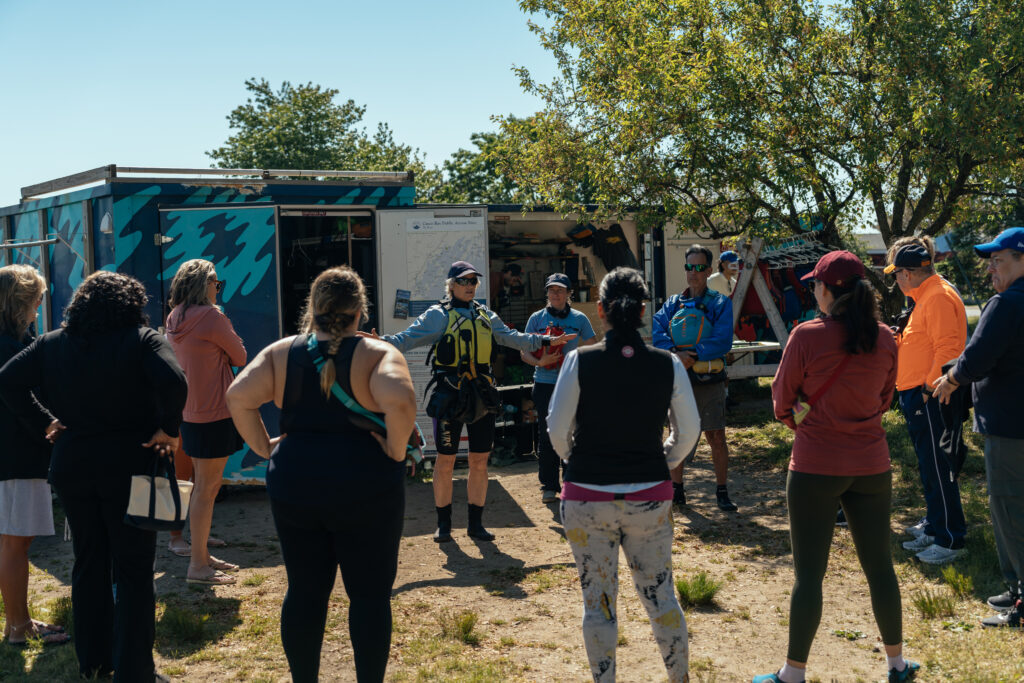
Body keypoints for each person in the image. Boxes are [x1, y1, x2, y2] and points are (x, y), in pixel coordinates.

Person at [226, 266, 416, 682]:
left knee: (305, 592)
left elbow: (238, 396)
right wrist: (395, 451)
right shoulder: (378, 354)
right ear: (360, 311)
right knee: (369, 597)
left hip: (296, 480)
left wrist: (264, 446)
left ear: (312, 309)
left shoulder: (281, 352)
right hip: (366, 485)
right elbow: (400, 403)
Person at [0, 271, 186, 682]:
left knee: (89, 562)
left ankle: (95, 663)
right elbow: (175, 381)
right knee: (134, 569)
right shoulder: (142, 339)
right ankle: (136, 670)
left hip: (73, 465)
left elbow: (8, 381)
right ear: (131, 305)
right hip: (129, 465)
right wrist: (169, 430)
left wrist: (44, 422)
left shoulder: (52, 343)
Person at [758, 250, 918, 683]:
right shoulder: (886, 337)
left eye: (815, 284)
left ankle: (793, 674)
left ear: (829, 290)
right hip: (871, 464)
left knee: (809, 574)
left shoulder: (806, 336)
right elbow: (886, 399)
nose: (813, 290)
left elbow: (781, 403)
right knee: (880, 567)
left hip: (814, 465)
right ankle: (897, 664)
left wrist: (805, 420)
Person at [547, 267, 700, 682]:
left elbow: (557, 429)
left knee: (598, 604)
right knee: (662, 598)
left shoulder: (580, 360)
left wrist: (575, 460)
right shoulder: (667, 364)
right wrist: (662, 460)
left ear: (600, 310)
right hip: (649, 495)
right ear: (644, 310)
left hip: (586, 496)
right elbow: (689, 431)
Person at [366, 261, 574, 542]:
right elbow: (407, 339)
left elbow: (513, 339)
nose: (469, 286)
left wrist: (547, 342)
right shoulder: (438, 315)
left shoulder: (486, 315)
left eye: (473, 282)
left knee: (479, 461)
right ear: (451, 285)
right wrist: (380, 342)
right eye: (464, 281)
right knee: (445, 461)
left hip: (482, 394)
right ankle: (444, 525)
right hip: (450, 393)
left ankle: (476, 524)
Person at [933, 226, 1024, 628]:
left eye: (999, 260)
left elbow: (979, 354)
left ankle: (1022, 601)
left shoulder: (1008, 303)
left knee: (1010, 509)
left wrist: (951, 379)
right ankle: (1016, 586)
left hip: (1010, 427)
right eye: (989, 261)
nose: (990, 269)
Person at [885, 243, 969, 564]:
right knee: (929, 465)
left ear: (907, 274)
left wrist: (925, 389)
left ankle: (950, 538)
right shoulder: (926, 297)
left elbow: (948, 349)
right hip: (921, 394)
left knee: (938, 466)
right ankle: (936, 528)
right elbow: (925, 343)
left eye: (897, 276)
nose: (896, 282)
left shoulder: (937, 297)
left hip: (930, 396)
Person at [165, 259, 247, 585]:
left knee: (202, 487)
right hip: (215, 411)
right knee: (205, 489)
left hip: (189, 412)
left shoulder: (175, 316)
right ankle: (198, 566)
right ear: (205, 284)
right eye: (216, 283)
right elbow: (240, 356)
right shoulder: (213, 317)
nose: (218, 288)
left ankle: (200, 552)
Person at [0, 265, 69, 648]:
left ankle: (17, 621)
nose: (40, 307)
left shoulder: (14, 340)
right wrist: (48, 424)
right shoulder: (10, 345)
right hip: (16, 456)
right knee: (16, 542)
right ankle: (18, 626)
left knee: (12, 541)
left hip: (12, 455)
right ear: (22, 301)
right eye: (38, 299)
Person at [652, 244, 737, 511]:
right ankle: (677, 491)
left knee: (716, 437)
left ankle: (722, 491)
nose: (693, 273)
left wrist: (693, 355)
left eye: (699, 267)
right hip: (680, 381)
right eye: (689, 267)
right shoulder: (672, 304)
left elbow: (723, 340)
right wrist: (675, 354)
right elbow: (658, 332)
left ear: (709, 270)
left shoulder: (721, 303)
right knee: (676, 435)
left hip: (709, 380)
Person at [520, 273, 597, 503]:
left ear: (569, 293)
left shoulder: (580, 318)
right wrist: (540, 362)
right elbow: (523, 351)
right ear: (547, 293)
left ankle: (572, 484)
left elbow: (592, 347)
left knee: (573, 434)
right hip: (544, 383)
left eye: (560, 290)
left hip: (571, 383)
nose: (556, 294)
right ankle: (549, 486)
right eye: (552, 290)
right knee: (547, 435)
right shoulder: (536, 319)